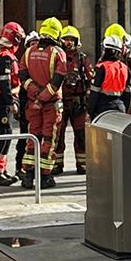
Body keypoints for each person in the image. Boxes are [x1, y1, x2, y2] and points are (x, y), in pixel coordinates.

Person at [20, 17, 66, 188]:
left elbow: (22, 76)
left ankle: (28, 174)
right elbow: (58, 80)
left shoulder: (29, 51)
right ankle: (44, 176)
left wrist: (34, 93)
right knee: (48, 138)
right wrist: (44, 96)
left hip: (33, 103)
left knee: (33, 136)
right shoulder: (57, 53)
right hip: (50, 104)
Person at [50, 25, 91, 178]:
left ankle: (82, 163)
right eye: (66, 39)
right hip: (61, 101)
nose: (68, 42)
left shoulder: (82, 59)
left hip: (78, 103)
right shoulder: (57, 57)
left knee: (81, 134)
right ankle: (57, 164)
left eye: (71, 39)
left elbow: (90, 80)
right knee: (58, 134)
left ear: (76, 41)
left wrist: (87, 99)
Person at [0, 22, 24, 187]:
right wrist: (11, 102)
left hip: (2, 100)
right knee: (5, 134)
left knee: (6, 134)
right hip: (3, 101)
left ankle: (1, 170)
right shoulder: (5, 57)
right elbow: (4, 82)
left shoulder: (3, 54)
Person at [90, 26, 131, 116]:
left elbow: (95, 92)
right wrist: (125, 110)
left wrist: (90, 110)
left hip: (102, 109)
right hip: (120, 108)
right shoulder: (125, 68)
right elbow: (128, 93)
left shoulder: (101, 67)